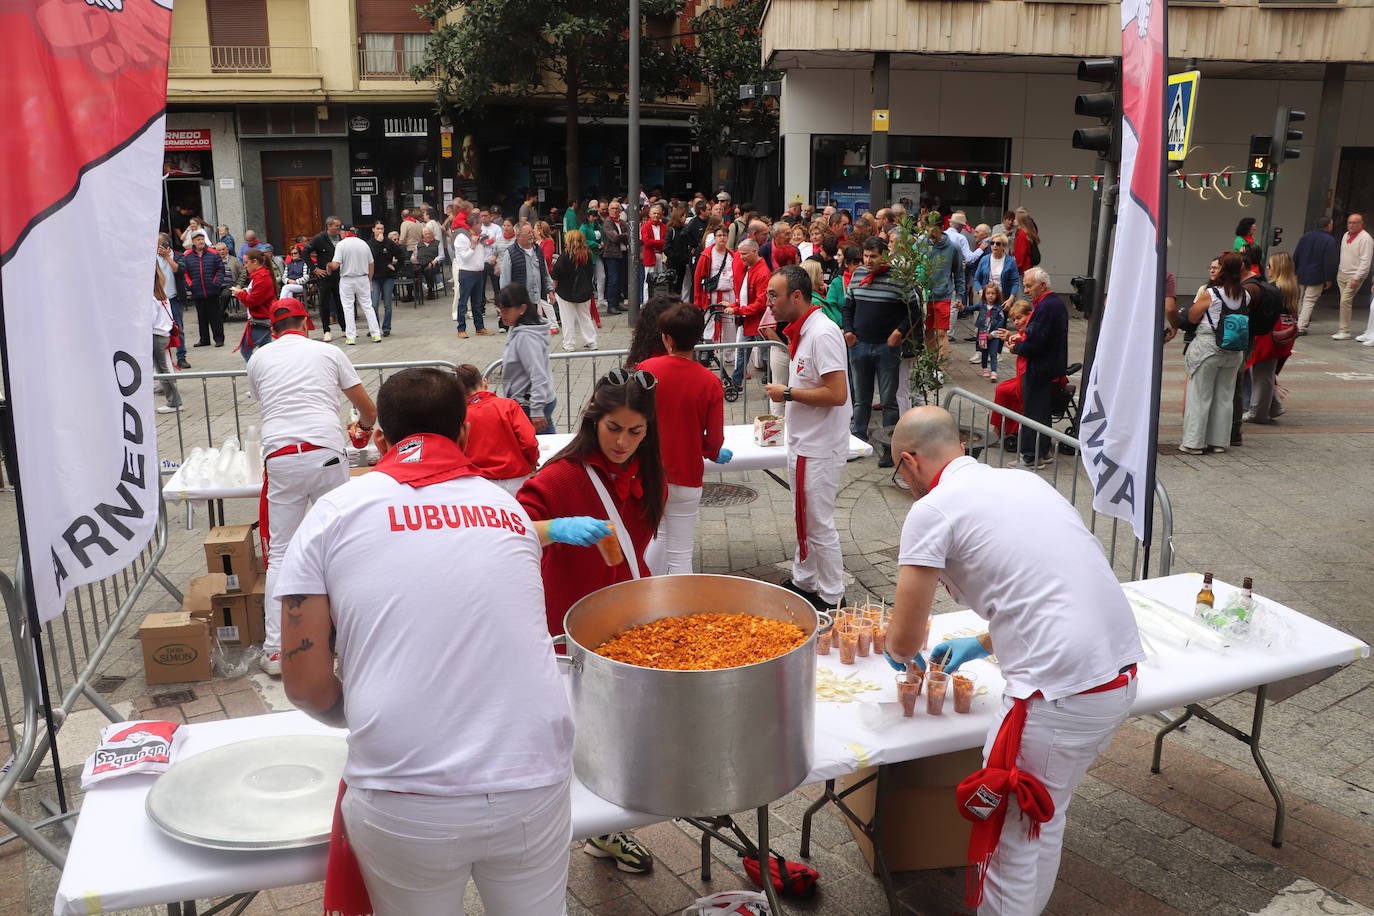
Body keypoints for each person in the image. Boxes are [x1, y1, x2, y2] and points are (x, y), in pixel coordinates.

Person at [276, 367, 575, 916]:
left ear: (383, 441)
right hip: (532, 775)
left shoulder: (332, 515)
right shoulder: (508, 509)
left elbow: (305, 684)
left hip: (402, 792)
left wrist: (370, 708)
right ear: (463, 435)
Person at [882, 406, 1143, 916]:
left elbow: (905, 636)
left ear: (910, 461)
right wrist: (983, 641)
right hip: (1116, 672)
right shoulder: (1022, 483)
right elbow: (1045, 587)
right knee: (1041, 819)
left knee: (1007, 839)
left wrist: (898, 653)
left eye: (898, 471)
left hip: (1057, 693)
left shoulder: (932, 509)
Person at [516, 368, 665, 876]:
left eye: (636, 431)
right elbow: (508, 530)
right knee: (566, 731)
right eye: (613, 429)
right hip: (567, 624)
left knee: (616, 728)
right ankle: (546, 832)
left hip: (627, 622)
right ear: (591, 420)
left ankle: (602, 829)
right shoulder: (561, 477)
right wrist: (554, 528)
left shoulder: (648, 475)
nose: (623, 442)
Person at [248, 298, 377, 675]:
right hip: (325, 450)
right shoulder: (328, 351)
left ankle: (275, 650)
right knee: (340, 546)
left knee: (281, 554)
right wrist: (365, 427)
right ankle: (349, 643)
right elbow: (367, 408)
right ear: (306, 323)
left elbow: (264, 399)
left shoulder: (259, 358)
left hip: (282, 455)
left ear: (273, 329)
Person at [765, 265, 851, 611]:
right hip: (805, 442)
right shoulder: (805, 330)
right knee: (805, 516)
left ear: (796, 297)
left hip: (818, 446)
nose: (768, 302)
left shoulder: (823, 334)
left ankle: (832, 595)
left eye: (774, 295)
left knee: (818, 521)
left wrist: (787, 394)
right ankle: (806, 580)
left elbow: (836, 393)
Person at [637, 304, 729, 575]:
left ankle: (645, 598)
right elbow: (715, 441)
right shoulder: (709, 382)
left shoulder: (646, 369)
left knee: (657, 538)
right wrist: (700, 448)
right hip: (687, 474)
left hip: (650, 473)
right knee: (680, 551)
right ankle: (678, 611)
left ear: (667, 338)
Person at [844, 236, 919, 462]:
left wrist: (899, 332)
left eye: (873, 256)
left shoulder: (900, 278)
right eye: (865, 256)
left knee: (889, 400)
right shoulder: (857, 275)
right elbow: (848, 307)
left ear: (885, 255)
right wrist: (848, 331)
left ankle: (890, 447)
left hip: (886, 348)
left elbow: (914, 311)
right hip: (859, 345)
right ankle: (858, 440)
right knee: (861, 399)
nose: (868, 260)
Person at [1179, 252, 1249, 454]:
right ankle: (1218, 442)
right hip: (1234, 351)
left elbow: (1192, 317)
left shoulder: (1211, 294)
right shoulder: (1245, 295)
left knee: (1200, 396)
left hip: (1208, 349)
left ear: (1223, 271)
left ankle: (1194, 443)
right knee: (1225, 397)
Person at [1009, 268, 1067, 467]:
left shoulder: (1046, 306)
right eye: (1024, 285)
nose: (1026, 290)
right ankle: (1043, 452)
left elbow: (1036, 343)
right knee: (1041, 413)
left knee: (1033, 413)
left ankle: (1030, 456)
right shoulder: (1053, 304)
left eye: (1029, 285)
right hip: (1048, 369)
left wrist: (1016, 347)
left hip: (1040, 370)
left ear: (1043, 286)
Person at [453, 363, 540, 495]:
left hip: (482, 482)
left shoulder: (460, 416)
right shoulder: (508, 405)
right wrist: (533, 461)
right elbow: (529, 442)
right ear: (485, 383)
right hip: (516, 479)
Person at [1246, 251, 1299, 425]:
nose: (1267, 268)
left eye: (1269, 265)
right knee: (1267, 373)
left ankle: (1258, 413)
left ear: (1276, 268)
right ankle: (1274, 406)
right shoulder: (1292, 287)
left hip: (1270, 333)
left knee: (1262, 374)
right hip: (1285, 334)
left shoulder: (1275, 288)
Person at [498, 284, 557, 434]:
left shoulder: (526, 337)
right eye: (500, 309)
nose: (502, 314)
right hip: (530, 403)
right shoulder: (517, 328)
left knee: (543, 451)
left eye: (506, 309)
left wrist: (536, 410)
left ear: (522, 309)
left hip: (530, 405)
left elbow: (538, 374)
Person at [989, 299, 1034, 449]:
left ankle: (1000, 429)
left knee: (1004, 390)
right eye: (1014, 319)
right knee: (1003, 389)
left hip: (1030, 376)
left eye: (1019, 318)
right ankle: (1002, 429)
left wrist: (1012, 339)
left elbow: (1027, 344)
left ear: (1029, 314)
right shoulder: (1027, 329)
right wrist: (1010, 336)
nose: (1016, 322)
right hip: (1025, 375)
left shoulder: (1031, 330)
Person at [921, 219, 967, 363]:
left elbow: (959, 274)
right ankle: (931, 364)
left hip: (943, 295)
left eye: (933, 230)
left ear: (941, 228)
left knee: (941, 333)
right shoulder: (921, 244)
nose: (930, 234)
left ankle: (940, 370)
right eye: (927, 230)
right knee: (927, 332)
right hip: (924, 295)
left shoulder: (953, 247)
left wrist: (960, 295)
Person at [331, 227, 382, 344]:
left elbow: (336, 264)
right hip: (363, 277)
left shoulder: (341, 245)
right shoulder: (364, 244)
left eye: (341, 232)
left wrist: (329, 265)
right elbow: (371, 264)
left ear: (345, 232)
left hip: (347, 279)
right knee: (367, 306)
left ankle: (351, 336)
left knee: (348, 307)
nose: (340, 234)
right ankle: (376, 334)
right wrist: (369, 279)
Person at [551, 229, 598, 350]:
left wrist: (552, 291)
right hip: (584, 291)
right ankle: (591, 341)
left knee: (567, 318)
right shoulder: (587, 255)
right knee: (585, 317)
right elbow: (590, 274)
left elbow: (555, 276)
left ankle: (569, 344)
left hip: (565, 292)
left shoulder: (564, 257)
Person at [1293, 216, 1338, 335]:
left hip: (1301, 273)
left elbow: (1296, 254)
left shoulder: (1306, 236)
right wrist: (1329, 278)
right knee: (1309, 300)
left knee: (1299, 299)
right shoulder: (1329, 240)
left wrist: (1294, 271)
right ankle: (1300, 327)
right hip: (1317, 275)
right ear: (1329, 226)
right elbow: (1329, 261)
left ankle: (1297, 322)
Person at [304, 217, 346, 343]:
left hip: (340, 275)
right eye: (336, 226)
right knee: (324, 303)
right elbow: (305, 252)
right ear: (329, 226)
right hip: (325, 276)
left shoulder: (342, 237)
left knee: (341, 302)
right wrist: (314, 269)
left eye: (340, 225)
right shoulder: (319, 238)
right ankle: (326, 330)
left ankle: (345, 328)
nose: (339, 228)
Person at [231, 248, 277, 360]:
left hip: (261, 320)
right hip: (263, 319)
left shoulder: (262, 278)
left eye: (246, 262)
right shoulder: (260, 276)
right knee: (265, 352)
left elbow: (252, 301)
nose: (245, 266)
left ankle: (258, 373)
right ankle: (267, 374)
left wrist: (239, 294)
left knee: (245, 350)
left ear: (255, 261)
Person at [1333, 213, 1372, 340]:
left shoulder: (1365, 238)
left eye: (1355, 223)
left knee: (1345, 301)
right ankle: (1344, 329)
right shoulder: (1345, 235)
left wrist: (1357, 277)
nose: (1351, 225)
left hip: (1354, 276)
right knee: (1344, 302)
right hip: (1342, 274)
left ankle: (1344, 331)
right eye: (1349, 222)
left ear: (1361, 224)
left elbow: (1365, 261)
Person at [183, 233, 226, 348]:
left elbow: (220, 269)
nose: (201, 241)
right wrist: (190, 285)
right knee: (201, 317)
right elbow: (185, 273)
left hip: (212, 290)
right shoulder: (187, 255)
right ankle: (204, 339)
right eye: (198, 239)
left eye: (202, 239)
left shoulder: (213, 253)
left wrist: (216, 283)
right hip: (197, 291)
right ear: (193, 241)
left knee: (215, 316)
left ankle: (219, 339)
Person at [150, 269, 182, 415]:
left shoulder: (152, 299)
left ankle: (174, 401)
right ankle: (173, 400)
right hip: (164, 334)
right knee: (164, 369)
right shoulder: (163, 296)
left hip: (157, 336)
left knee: (163, 370)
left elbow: (150, 320)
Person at [452, 221, 488, 338]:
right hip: (467, 273)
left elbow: (482, 255)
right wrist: (473, 245)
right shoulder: (462, 238)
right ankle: (461, 329)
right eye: (479, 224)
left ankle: (480, 327)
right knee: (463, 302)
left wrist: (481, 243)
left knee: (477, 303)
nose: (481, 227)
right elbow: (464, 257)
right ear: (473, 225)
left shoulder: (479, 237)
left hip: (478, 273)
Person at [368, 222, 404, 338]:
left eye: (382, 229)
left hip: (388, 276)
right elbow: (373, 257)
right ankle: (374, 327)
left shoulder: (389, 243)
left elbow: (401, 256)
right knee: (374, 304)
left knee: (388, 304)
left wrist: (395, 268)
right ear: (373, 229)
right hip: (375, 277)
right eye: (378, 228)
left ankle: (386, 328)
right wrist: (378, 243)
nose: (380, 231)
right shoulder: (370, 244)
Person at [971, 281, 1008, 382]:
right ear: (984, 295)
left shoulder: (999, 308)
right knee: (984, 352)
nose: (990, 296)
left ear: (997, 295)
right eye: (988, 293)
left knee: (993, 353)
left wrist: (994, 333)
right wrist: (962, 308)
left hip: (994, 335)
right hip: (982, 333)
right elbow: (971, 308)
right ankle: (985, 368)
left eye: (993, 293)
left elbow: (1001, 321)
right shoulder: (982, 305)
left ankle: (994, 372)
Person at [973, 234, 1022, 303]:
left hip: (1004, 299)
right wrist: (981, 291)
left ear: (1004, 246)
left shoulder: (1011, 261)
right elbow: (976, 279)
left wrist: (1011, 299)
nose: (994, 246)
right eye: (992, 243)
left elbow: (1015, 282)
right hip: (987, 299)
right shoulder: (984, 259)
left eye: (998, 244)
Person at [601, 201, 630, 314]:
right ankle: (611, 305)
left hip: (623, 254)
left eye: (616, 208)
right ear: (609, 210)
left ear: (620, 210)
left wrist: (623, 236)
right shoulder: (608, 222)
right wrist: (624, 235)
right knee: (613, 280)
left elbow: (629, 235)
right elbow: (614, 238)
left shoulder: (622, 223)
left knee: (621, 280)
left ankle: (617, 303)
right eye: (612, 208)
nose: (614, 210)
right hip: (612, 255)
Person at [640, 203, 667, 301]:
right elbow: (647, 242)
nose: (656, 215)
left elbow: (666, 242)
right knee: (648, 280)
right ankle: (646, 302)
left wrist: (655, 243)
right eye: (654, 213)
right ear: (650, 214)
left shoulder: (664, 227)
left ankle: (659, 301)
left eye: (658, 214)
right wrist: (660, 242)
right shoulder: (645, 227)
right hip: (650, 256)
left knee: (661, 279)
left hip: (661, 255)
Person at [414, 228, 444, 303]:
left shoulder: (437, 243)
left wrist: (434, 261)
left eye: (429, 233)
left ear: (432, 234)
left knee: (428, 270)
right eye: (425, 234)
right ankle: (415, 291)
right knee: (413, 270)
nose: (427, 235)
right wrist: (413, 259)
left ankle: (430, 290)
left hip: (432, 264)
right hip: (420, 263)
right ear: (423, 235)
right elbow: (414, 255)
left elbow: (442, 255)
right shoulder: (419, 244)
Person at [1012, 208, 1040, 274]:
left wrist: (1015, 268)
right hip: (1026, 268)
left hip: (1022, 270)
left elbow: (1020, 254)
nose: (1014, 220)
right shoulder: (1026, 232)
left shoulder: (1021, 234)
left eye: (1016, 218)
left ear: (1020, 220)